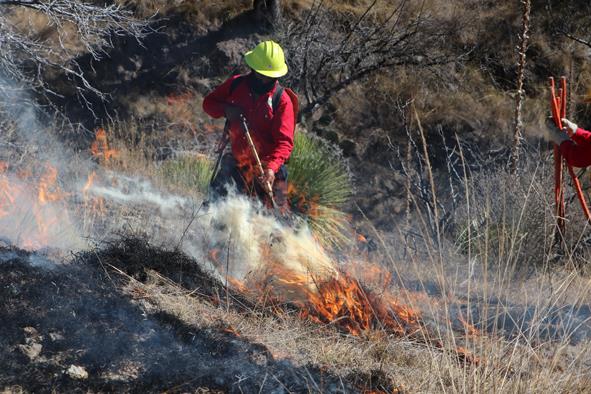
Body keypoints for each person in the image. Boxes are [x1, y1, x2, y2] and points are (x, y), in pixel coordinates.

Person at [202, 40, 295, 211]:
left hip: (268, 171)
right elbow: (208, 104)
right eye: (261, 74)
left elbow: (285, 143)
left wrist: (272, 169)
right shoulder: (236, 85)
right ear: (253, 69)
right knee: (217, 213)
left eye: (270, 76)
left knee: (274, 225)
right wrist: (226, 110)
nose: (264, 79)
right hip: (235, 165)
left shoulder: (282, 101)